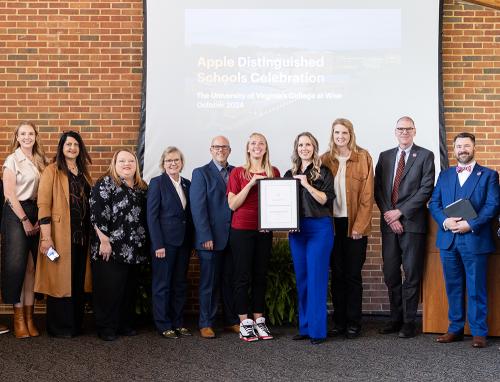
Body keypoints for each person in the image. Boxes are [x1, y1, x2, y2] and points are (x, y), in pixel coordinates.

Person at [429, 132, 499, 348]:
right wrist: (444, 222)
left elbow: (493, 205)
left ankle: (479, 332)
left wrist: (471, 224)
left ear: (474, 147)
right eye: (459, 146)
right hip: (448, 239)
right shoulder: (445, 175)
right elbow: (434, 203)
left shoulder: (488, 175)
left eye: (466, 146)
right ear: (454, 149)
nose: (462, 150)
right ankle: (455, 328)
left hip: (475, 239)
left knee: (476, 287)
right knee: (453, 286)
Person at [374, 116, 435, 338]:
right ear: (395, 131)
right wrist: (391, 216)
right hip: (389, 225)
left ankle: (409, 322)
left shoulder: (426, 156)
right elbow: (378, 190)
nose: (404, 132)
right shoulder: (385, 156)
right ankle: (395, 318)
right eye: (400, 129)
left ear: (415, 131)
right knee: (391, 274)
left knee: (411, 274)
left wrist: (400, 212)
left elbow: (426, 189)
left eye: (408, 129)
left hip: (413, 225)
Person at [35, 131, 92, 338]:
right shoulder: (52, 171)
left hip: (81, 236)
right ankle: (60, 328)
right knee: (60, 281)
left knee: (76, 280)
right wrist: (46, 237)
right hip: (59, 236)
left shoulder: (84, 173)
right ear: (61, 147)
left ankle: (75, 326)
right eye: (68, 144)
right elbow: (43, 205)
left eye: (76, 145)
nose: (72, 148)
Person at [321, 118, 374, 339]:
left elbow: (367, 196)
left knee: (352, 275)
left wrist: (359, 226)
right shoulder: (325, 159)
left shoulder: (363, 157)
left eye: (344, 133)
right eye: (336, 133)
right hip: (332, 224)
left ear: (351, 134)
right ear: (332, 135)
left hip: (354, 224)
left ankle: (354, 323)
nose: (340, 136)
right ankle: (339, 322)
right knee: (338, 274)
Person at [90, 149, 148, 341]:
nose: (126, 164)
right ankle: (106, 327)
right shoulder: (106, 183)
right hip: (110, 248)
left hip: (133, 249)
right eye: (122, 161)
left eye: (130, 161)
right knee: (109, 290)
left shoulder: (141, 187)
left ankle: (124, 324)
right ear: (114, 164)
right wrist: (104, 241)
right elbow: (96, 214)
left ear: (136, 165)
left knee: (128, 290)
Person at [227, 132, 280, 342]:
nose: (257, 146)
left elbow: (278, 203)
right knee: (242, 276)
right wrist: (251, 184)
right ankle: (244, 322)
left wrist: (275, 222)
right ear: (248, 148)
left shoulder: (273, 171)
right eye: (253, 143)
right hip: (241, 230)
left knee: (260, 275)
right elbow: (232, 204)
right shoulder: (238, 173)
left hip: (264, 231)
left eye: (261, 143)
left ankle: (259, 320)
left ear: (265, 148)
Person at [284, 132, 335, 345]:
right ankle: (304, 326)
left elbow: (325, 199)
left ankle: (317, 330)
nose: (304, 148)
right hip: (297, 232)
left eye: (308, 144)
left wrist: (305, 184)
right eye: (301, 145)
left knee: (316, 279)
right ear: (296, 148)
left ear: (314, 147)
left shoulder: (324, 172)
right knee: (303, 279)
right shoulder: (289, 174)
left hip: (319, 229)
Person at [1, 121, 47, 338]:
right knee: (17, 266)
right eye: (23, 134)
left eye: (31, 133)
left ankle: (30, 319)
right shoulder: (12, 160)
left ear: (36, 136)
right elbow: (9, 194)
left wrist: (40, 218)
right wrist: (25, 220)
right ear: (17, 137)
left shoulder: (39, 161)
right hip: (16, 214)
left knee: (31, 268)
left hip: (35, 211)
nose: (27, 137)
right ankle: (18, 319)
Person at [190, 136, 239, 339]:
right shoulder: (201, 173)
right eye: (217, 147)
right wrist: (204, 236)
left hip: (233, 237)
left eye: (224, 147)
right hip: (210, 239)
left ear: (229, 150)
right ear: (211, 150)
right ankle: (206, 323)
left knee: (230, 281)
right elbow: (198, 208)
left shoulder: (237, 172)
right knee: (209, 283)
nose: (220, 150)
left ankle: (231, 320)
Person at [147, 146, 194, 339]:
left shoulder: (188, 184)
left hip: (183, 243)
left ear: (181, 163)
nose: (173, 163)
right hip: (164, 244)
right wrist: (157, 244)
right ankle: (163, 324)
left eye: (176, 160)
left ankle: (177, 322)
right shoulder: (157, 183)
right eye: (169, 161)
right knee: (162, 284)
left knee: (179, 284)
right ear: (163, 164)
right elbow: (152, 216)